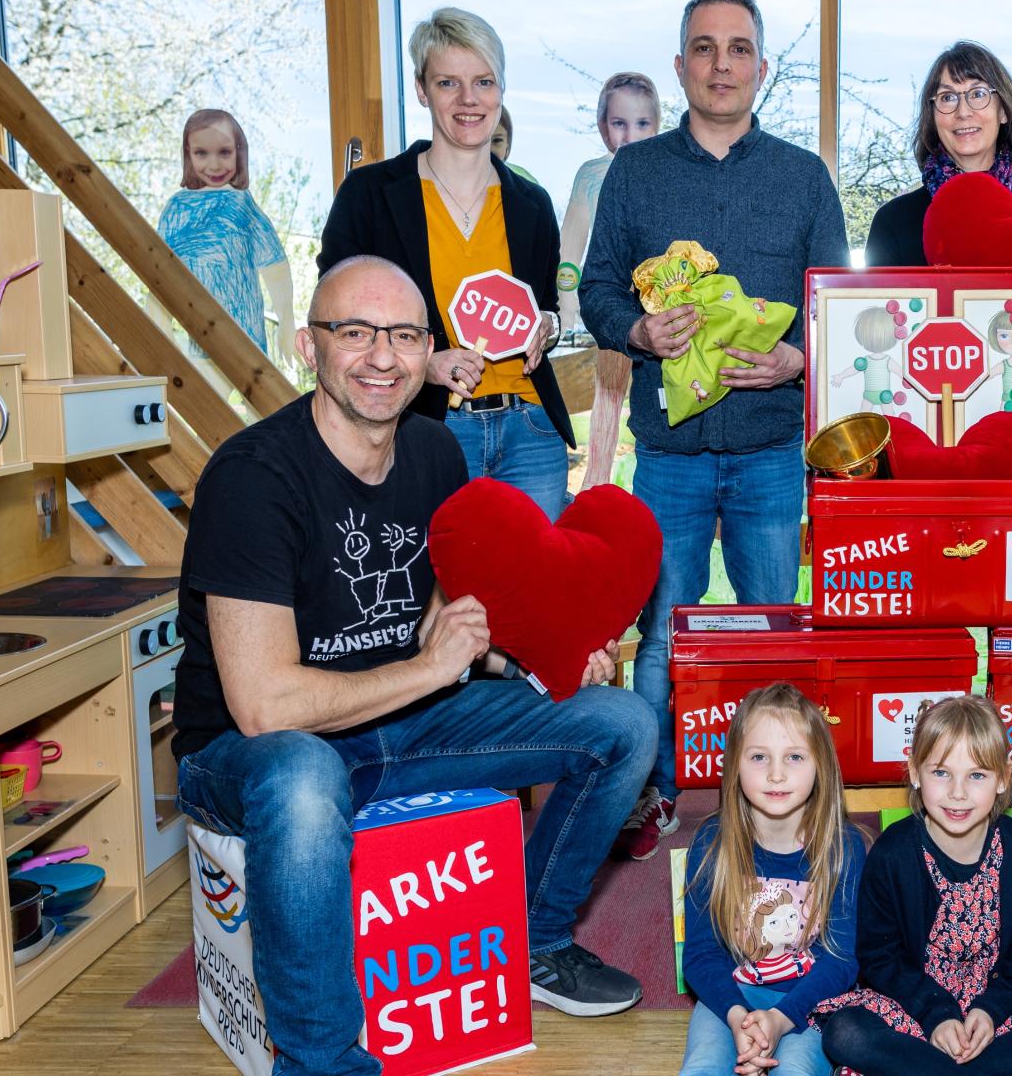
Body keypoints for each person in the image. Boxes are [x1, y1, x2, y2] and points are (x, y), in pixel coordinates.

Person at [170, 256, 654, 1075]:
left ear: (430, 347)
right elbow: (263, 707)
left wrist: (550, 657)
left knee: (624, 723)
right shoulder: (253, 479)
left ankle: (532, 941)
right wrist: (436, 669)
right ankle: (322, 1062)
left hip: (401, 724)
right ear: (308, 347)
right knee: (299, 773)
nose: (381, 357)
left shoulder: (433, 454)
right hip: (248, 757)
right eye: (353, 332)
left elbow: (452, 627)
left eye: (402, 334)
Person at [580, 0, 849, 861]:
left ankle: (784, 805)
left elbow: (836, 308)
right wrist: (636, 328)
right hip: (670, 459)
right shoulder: (638, 172)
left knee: (778, 629)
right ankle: (651, 795)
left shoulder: (803, 177)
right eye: (704, 47)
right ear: (681, 65)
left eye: (738, 49)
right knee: (662, 636)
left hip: (772, 451)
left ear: (762, 69)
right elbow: (596, 288)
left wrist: (796, 359)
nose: (721, 64)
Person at [319, 6, 575, 521]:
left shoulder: (532, 204)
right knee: (429, 594)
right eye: (448, 83)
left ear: (501, 91)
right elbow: (335, 312)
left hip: (531, 433)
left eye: (483, 81)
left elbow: (544, 305)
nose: (468, 100)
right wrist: (424, 363)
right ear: (421, 89)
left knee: (526, 598)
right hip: (428, 430)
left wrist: (545, 326)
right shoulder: (369, 195)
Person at [813, 695, 1012, 1076]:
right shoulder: (892, 853)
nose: (958, 792)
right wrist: (936, 1014)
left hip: (998, 1015)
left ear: (1004, 778)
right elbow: (879, 957)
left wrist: (989, 1010)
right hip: (914, 1008)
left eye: (977, 775)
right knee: (846, 1033)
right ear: (916, 772)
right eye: (941, 773)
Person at [680, 684, 867, 1076]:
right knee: (701, 1069)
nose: (777, 774)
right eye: (759, 757)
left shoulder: (844, 847)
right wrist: (736, 1017)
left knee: (795, 1072)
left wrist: (781, 1019)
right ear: (734, 766)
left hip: (809, 1001)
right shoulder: (712, 842)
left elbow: (841, 962)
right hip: (729, 997)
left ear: (821, 767)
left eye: (795, 757)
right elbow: (700, 957)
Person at [863, 41, 1012, 267]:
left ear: (1003, 110)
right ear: (933, 116)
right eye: (947, 97)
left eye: (977, 94)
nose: (963, 111)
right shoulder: (893, 220)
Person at [561, 71, 664, 488]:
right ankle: (597, 492)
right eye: (619, 123)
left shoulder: (669, 172)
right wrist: (569, 316)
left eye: (642, 124)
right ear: (603, 124)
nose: (629, 135)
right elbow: (570, 249)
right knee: (606, 409)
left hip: (662, 320)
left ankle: (652, 495)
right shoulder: (591, 176)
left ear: (657, 124)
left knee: (659, 414)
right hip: (609, 317)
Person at [157, 108, 293, 358]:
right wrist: (160, 325)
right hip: (200, 341)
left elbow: (275, 265)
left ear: (239, 151)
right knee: (203, 396)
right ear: (188, 154)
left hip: (249, 340)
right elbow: (161, 275)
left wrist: (287, 322)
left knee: (261, 397)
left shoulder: (242, 204)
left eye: (224, 152)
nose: (214, 164)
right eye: (202, 153)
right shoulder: (176, 209)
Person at [490, 105, 539, 185]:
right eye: (479, 142)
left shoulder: (527, 184)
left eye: (497, 140)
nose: (489, 150)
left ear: (507, 143)